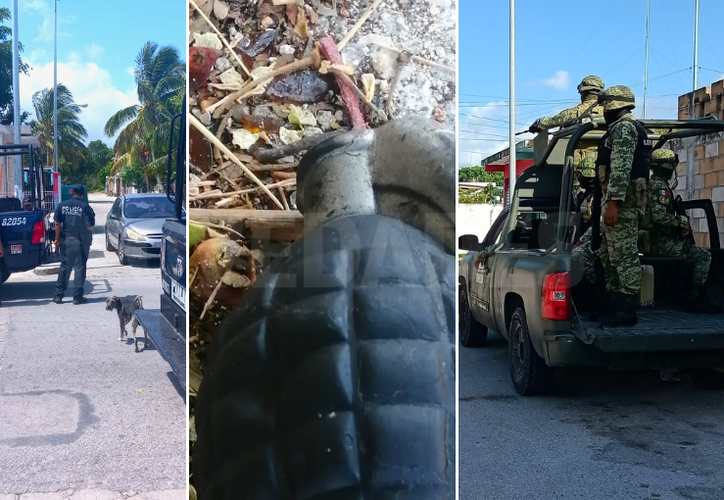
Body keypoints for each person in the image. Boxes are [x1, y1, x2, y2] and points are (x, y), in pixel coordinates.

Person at [594, 85, 651, 327]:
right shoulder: (625, 128)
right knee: (611, 256)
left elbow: (620, 169)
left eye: (606, 107)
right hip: (619, 203)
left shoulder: (625, 128)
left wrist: (613, 204)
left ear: (614, 106)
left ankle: (627, 310)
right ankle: (614, 306)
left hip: (622, 205)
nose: (603, 112)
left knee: (625, 257)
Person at [643, 149, 720, 313]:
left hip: (652, 240)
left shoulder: (649, 184)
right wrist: (682, 221)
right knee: (702, 255)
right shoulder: (659, 188)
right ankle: (695, 299)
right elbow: (658, 217)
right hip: (659, 242)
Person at [530, 75, 606, 196]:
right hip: (607, 164)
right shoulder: (611, 112)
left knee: (580, 201)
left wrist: (537, 125)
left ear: (582, 93)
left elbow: (549, 122)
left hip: (582, 169)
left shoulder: (574, 112)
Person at [53, 184, 95, 304]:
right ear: (83, 195)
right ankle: (77, 297)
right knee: (79, 269)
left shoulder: (62, 205)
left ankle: (58, 295)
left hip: (66, 240)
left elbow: (57, 224)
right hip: (81, 242)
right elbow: (90, 226)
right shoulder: (85, 207)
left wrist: (56, 239)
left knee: (65, 268)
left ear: (71, 193)